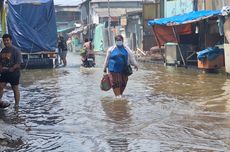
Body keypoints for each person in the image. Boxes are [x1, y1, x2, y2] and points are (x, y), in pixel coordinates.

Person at [0, 33, 22, 107]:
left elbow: (19, 63)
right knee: (0, 86)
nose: (6, 42)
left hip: (14, 73)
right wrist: (1, 69)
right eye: (4, 41)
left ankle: (17, 105)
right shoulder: (2, 51)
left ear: (11, 41)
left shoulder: (16, 50)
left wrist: (11, 69)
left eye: (7, 40)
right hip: (4, 73)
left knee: (15, 88)